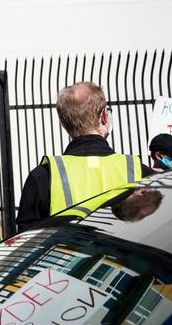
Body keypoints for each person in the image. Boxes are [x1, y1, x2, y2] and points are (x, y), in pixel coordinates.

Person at [16, 82, 154, 232]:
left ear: (64, 122)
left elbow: (25, 240)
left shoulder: (43, 176)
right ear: (104, 116)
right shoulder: (137, 169)